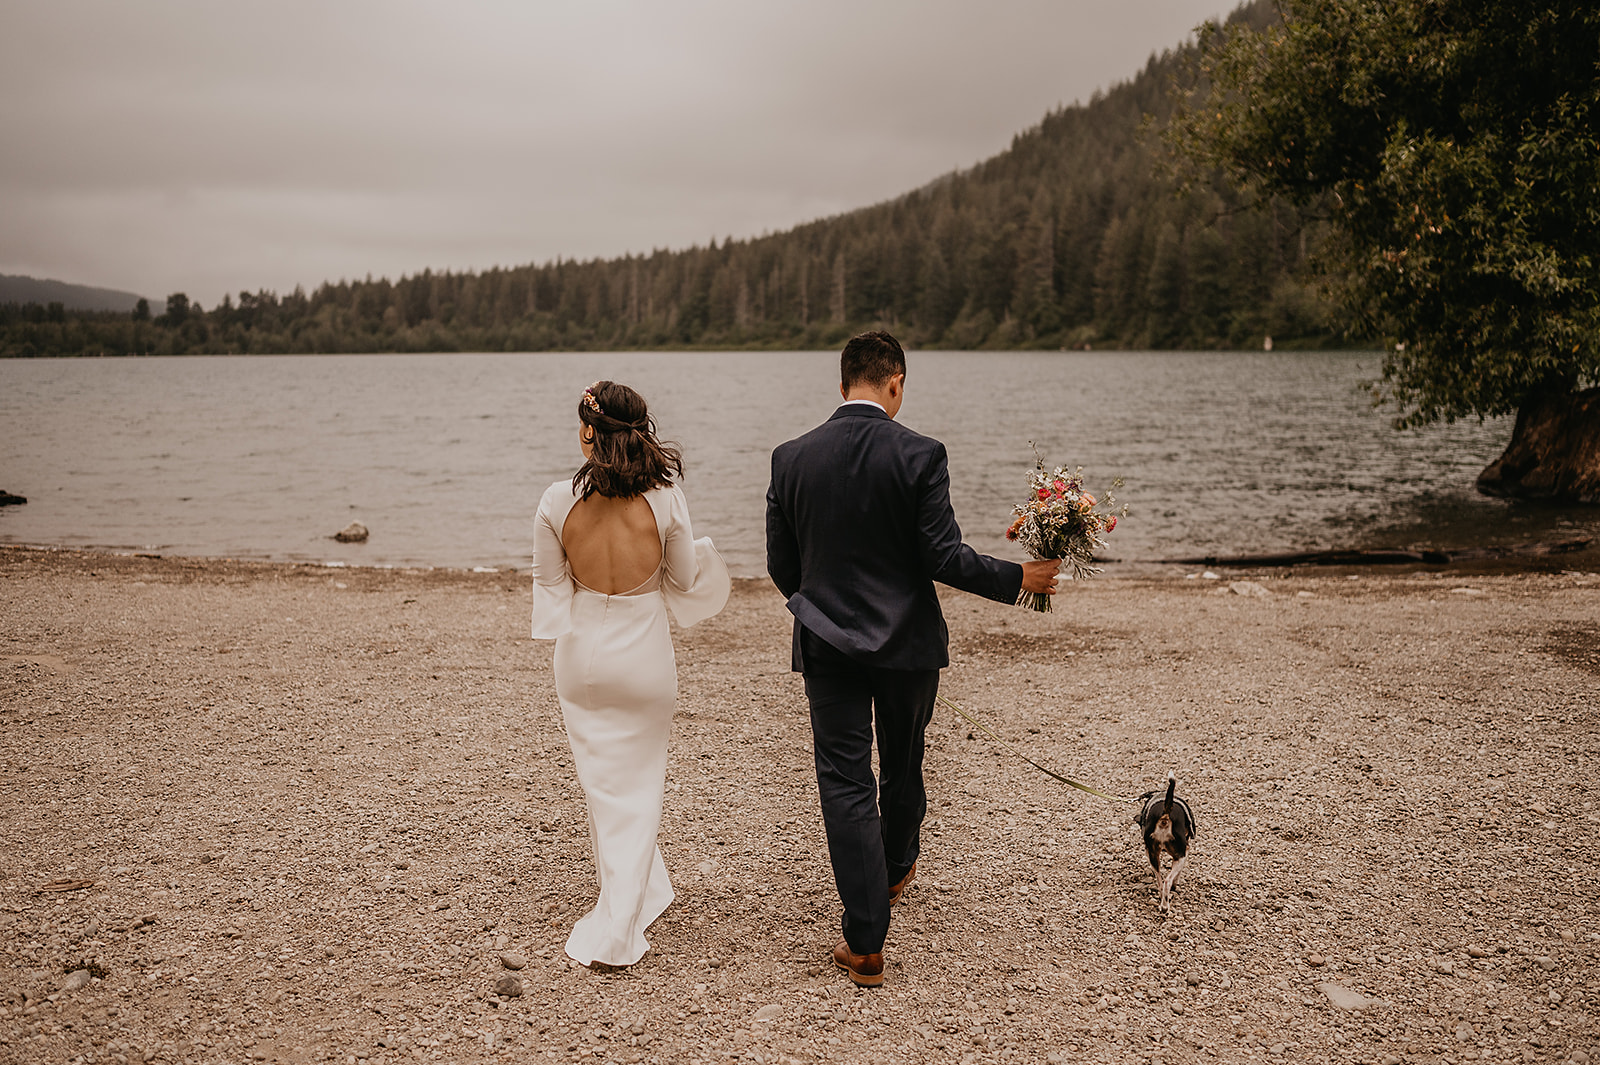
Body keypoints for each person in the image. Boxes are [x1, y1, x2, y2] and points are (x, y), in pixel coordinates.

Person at [765, 331, 1061, 986]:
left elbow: (783, 568)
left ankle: (866, 938)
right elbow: (943, 557)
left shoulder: (790, 458)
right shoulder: (921, 453)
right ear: (894, 383)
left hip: (827, 644)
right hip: (907, 645)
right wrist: (1021, 578)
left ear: (842, 384)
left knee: (846, 780)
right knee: (902, 763)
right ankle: (896, 867)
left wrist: (823, 609)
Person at [531, 380, 730, 968]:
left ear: (591, 431)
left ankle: (629, 897)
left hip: (583, 655)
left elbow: (552, 588)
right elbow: (686, 579)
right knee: (640, 785)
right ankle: (624, 915)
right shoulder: (665, 498)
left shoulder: (553, 501)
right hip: (644, 656)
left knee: (603, 784)